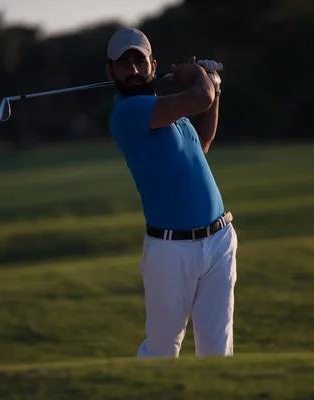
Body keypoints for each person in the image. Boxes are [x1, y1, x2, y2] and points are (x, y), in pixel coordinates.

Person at [105, 27, 238, 358]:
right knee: (162, 352)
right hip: (170, 250)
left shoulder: (168, 112)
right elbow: (199, 98)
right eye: (124, 64)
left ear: (153, 65)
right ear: (110, 72)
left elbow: (201, 144)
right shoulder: (128, 113)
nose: (133, 70)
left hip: (219, 240)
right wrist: (198, 76)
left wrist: (214, 89)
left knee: (218, 352)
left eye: (140, 61)